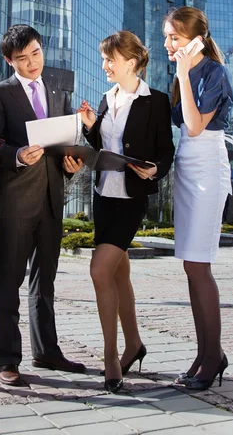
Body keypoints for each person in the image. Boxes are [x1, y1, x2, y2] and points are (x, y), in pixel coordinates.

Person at [0, 24, 85, 387]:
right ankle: (7, 360)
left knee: (45, 282)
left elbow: (66, 143)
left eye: (36, 54)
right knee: (9, 282)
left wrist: (72, 164)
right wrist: (18, 155)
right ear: (9, 61)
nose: (31, 64)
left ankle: (47, 350)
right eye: (22, 59)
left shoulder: (57, 91)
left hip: (52, 199)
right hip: (14, 202)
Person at [78, 31, 174, 393]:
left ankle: (110, 357)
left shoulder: (156, 101)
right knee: (119, 275)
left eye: (110, 59)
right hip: (103, 195)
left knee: (99, 269)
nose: (104, 65)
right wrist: (90, 127)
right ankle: (135, 344)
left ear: (130, 62)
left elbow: (166, 151)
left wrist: (155, 170)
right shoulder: (106, 99)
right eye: (104, 59)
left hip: (132, 199)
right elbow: (103, 146)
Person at [163, 6, 233, 391]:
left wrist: (181, 75)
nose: (168, 43)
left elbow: (193, 125)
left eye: (174, 36)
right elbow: (173, 118)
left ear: (196, 38)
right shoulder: (186, 74)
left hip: (208, 168)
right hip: (186, 168)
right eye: (167, 36)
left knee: (200, 265)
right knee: (190, 267)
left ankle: (213, 356)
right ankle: (206, 352)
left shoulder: (214, 73)